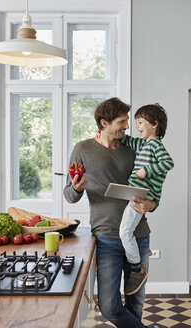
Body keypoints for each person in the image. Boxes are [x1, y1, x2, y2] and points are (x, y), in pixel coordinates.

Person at [63, 97, 158, 328]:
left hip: (138, 235)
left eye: (127, 121)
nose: (127, 126)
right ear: (104, 123)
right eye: (122, 122)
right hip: (106, 237)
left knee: (136, 303)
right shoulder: (82, 149)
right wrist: (77, 188)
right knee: (109, 306)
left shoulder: (134, 147)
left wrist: (151, 205)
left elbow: (154, 189)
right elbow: (69, 194)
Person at [119, 104, 174, 296]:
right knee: (128, 230)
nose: (137, 126)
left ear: (155, 124)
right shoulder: (144, 144)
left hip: (144, 195)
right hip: (137, 192)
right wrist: (108, 131)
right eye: (136, 123)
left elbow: (168, 163)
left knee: (125, 232)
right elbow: (129, 141)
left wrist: (146, 170)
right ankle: (143, 250)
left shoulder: (156, 145)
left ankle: (137, 269)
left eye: (140, 122)